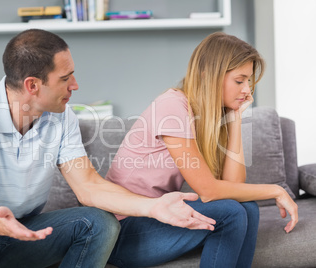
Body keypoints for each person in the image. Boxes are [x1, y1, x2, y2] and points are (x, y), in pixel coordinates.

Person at [0, 29, 216, 268]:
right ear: (33, 85)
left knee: (99, 222)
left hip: (16, 233)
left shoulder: (60, 118)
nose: (75, 85)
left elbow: (88, 187)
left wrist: (153, 207)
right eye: (65, 78)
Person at [106, 32, 299, 268]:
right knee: (231, 212)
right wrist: (276, 190)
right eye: (240, 81)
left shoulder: (209, 117)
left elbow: (232, 185)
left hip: (159, 217)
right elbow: (209, 191)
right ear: (210, 76)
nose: (247, 91)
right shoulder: (172, 106)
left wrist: (235, 118)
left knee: (247, 207)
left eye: (248, 81)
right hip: (121, 232)